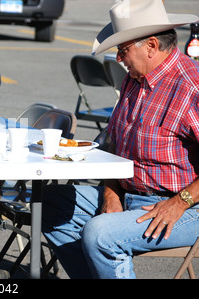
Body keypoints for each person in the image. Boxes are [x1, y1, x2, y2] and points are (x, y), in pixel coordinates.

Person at [42, 0, 199, 279]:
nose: (118, 59)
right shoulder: (134, 80)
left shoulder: (190, 87)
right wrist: (111, 193)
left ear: (151, 46)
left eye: (123, 49)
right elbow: (117, 146)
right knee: (47, 203)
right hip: (132, 195)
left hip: (186, 206)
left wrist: (179, 202)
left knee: (100, 233)